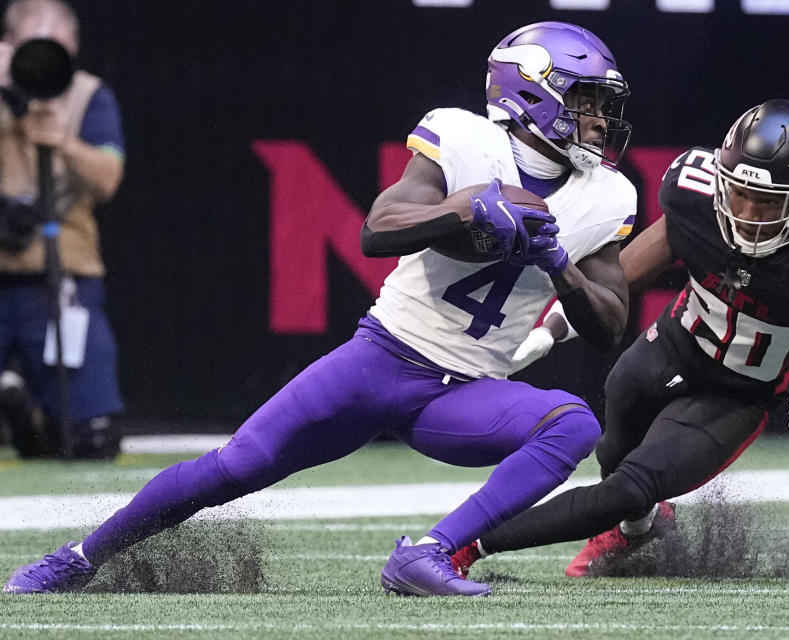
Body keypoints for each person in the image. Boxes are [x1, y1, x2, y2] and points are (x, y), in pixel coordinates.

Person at [4, 21, 637, 597]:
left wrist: (560, 264)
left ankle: (429, 553)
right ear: (534, 90)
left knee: (573, 423)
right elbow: (379, 227)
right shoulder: (465, 137)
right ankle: (78, 558)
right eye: (588, 102)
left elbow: (609, 325)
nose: (601, 121)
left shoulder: (608, 195)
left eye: (605, 108)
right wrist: (465, 208)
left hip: (467, 391)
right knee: (234, 468)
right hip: (384, 359)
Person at [450, 99, 789, 578]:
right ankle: (641, 531)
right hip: (670, 347)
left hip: (737, 394)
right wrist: (553, 328)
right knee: (613, 450)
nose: (747, 212)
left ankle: (464, 547)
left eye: (769, 201)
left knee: (628, 488)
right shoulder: (695, 200)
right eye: (738, 192)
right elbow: (622, 278)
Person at [0, 0, 124, 459]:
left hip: (62, 276)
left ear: (72, 47)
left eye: (55, 46)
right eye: (32, 45)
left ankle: (28, 417)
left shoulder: (90, 96)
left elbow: (109, 179)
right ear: (8, 46)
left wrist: (65, 143)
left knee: (92, 439)